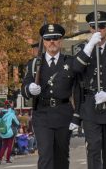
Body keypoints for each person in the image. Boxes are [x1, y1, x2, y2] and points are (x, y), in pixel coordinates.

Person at [72, 11, 106, 169]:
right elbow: (76, 69)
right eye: (94, 26)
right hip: (90, 106)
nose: (98, 29)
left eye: (102, 26)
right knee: (93, 148)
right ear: (90, 28)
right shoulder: (81, 49)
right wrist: (89, 46)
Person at [21, 23, 80, 169]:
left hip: (63, 113)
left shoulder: (70, 62)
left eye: (55, 38)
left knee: (61, 156)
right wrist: (30, 88)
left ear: (61, 40)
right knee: (45, 155)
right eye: (48, 39)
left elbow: (78, 91)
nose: (52, 42)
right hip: (42, 114)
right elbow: (23, 89)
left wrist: (77, 115)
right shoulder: (34, 64)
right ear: (44, 42)